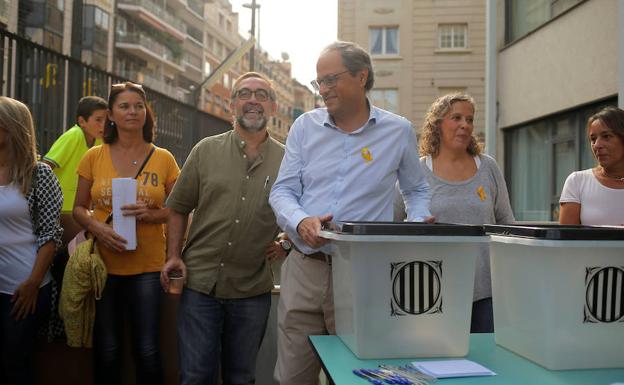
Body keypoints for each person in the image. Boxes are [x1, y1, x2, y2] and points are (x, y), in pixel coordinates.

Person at [269, 41, 432, 385]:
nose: (323, 90)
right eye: (319, 82)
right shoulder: (304, 128)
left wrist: (417, 224)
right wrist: (302, 221)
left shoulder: (398, 130)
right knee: (291, 378)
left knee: (360, 376)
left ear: (361, 76)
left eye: (331, 79)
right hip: (305, 267)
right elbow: (282, 191)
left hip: (364, 274)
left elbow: (416, 190)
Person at [162, 72, 285, 385]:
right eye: (244, 93)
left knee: (241, 378)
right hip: (200, 286)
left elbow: (304, 212)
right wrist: (173, 256)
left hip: (251, 290)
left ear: (273, 106)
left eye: (261, 95)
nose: (253, 100)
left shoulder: (288, 160)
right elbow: (177, 207)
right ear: (232, 104)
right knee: (195, 377)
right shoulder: (205, 150)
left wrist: (286, 243)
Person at [73, 82, 180, 385]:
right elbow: (79, 207)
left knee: (147, 349)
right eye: (124, 106)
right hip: (103, 267)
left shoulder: (164, 158)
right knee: (107, 348)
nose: (132, 111)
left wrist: (151, 214)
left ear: (146, 112)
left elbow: (180, 209)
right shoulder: (94, 156)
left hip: (148, 266)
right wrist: (96, 228)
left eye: (138, 106)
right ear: (111, 114)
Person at [395, 93, 514, 333]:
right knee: (435, 363)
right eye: (456, 118)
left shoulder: (488, 167)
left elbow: (507, 222)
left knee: (487, 362)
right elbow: (393, 224)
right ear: (437, 124)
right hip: (430, 292)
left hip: (486, 293)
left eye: (470, 119)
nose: (465, 125)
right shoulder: (417, 171)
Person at [0, 96, 63, 385]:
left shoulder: (40, 175)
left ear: (12, 129)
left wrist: (32, 285)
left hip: (23, 289)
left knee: (16, 363)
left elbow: (50, 236)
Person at [43, 96, 108, 246]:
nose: (103, 125)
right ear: (82, 122)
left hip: (79, 207)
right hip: (61, 207)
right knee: (77, 249)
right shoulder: (73, 135)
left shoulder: (99, 141)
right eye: (98, 120)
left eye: (106, 120)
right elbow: (46, 165)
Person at [560, 106, 624, 225]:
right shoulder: (577, 182)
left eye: (606, 136)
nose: (597, 145)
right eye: (593, 139)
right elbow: (566, 241)